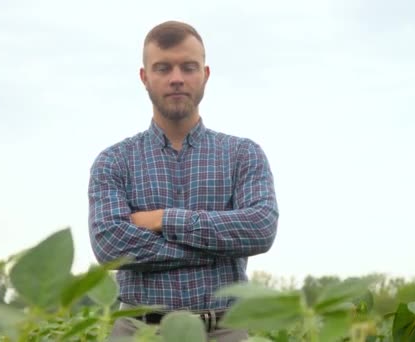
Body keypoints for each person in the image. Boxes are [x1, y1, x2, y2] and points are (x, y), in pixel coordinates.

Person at [88, 20, 279, 341]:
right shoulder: (114, 160)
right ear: (144, 77)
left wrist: (163, 219)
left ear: (204, 74)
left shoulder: (243, 154)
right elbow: (110, 245)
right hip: (139, 330)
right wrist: (219, 249)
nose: (176, 78)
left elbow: (260, 229)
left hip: (223, 330)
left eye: (188, 67)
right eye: (163, 68)